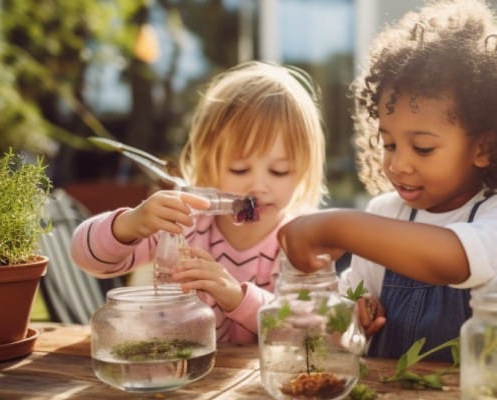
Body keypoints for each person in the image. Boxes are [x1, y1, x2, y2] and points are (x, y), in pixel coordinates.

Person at [277, 0, 497, 362]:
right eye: (389, 143)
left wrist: (336, 226)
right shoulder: (383, 214)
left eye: (423, 148)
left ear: (484, 146)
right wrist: (351, 318)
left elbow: (454, 259)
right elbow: (346, 320)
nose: (398, 164)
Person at [71, 61, 327, 344]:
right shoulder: (185, 224)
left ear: (303, 171)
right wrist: (132, 224)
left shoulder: (300, 242)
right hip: (180, 371)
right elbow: (85, 256)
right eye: (239, 169)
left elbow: (310, 329)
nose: (259, 186)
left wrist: (237, 297)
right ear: (208, 165)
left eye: (279, 171)